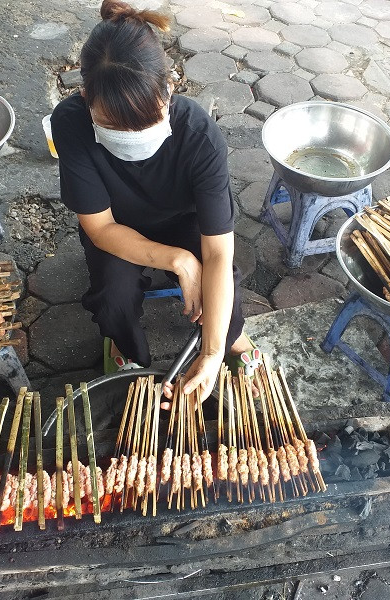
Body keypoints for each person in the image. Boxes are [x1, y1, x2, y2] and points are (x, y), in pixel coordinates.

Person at [50, 0, 259, 403]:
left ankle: (231, 338)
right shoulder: (70, 123)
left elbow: (216, 252)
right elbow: (100, 227)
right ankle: (129, 353)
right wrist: (178, 260)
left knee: (224, 287)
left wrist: (212, 352)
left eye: (145, 120)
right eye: (112, 124)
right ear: (84, 96)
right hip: (117, 228)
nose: (132, 136)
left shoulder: (198, 134)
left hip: (183, 219)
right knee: (113, 297)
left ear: (169, 88)